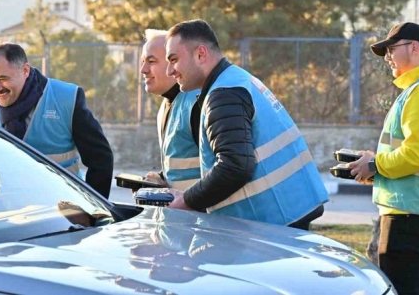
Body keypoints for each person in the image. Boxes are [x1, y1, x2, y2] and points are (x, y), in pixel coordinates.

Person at [163, 19, 329, 230]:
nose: (170, 71)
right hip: (285, 214)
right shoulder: (235, 81)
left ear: (201, 54)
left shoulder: (224, 94)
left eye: (174, 60)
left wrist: (187, 200)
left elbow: (234, 166)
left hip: (272, 223)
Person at [349, 22, 419, 295]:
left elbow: (416, 156)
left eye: (392, 49)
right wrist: (375, 166)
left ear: (414, 47)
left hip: (414, 217)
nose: (387, 57)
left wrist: (375, 165)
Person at [0, 42, 114, 198]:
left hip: (62, 205)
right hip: (6, 201)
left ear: (25, 70)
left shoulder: (66, 98)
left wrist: (93, 208)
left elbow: (100, 159)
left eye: (2, 78)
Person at [140, 29, 200, 191]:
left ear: (173, 62)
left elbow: (224, 170)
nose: (143, 69)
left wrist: (187, 200)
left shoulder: (197, 103)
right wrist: (162, 179)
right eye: (143, 61)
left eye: (151, 61)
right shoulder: (167, 104)